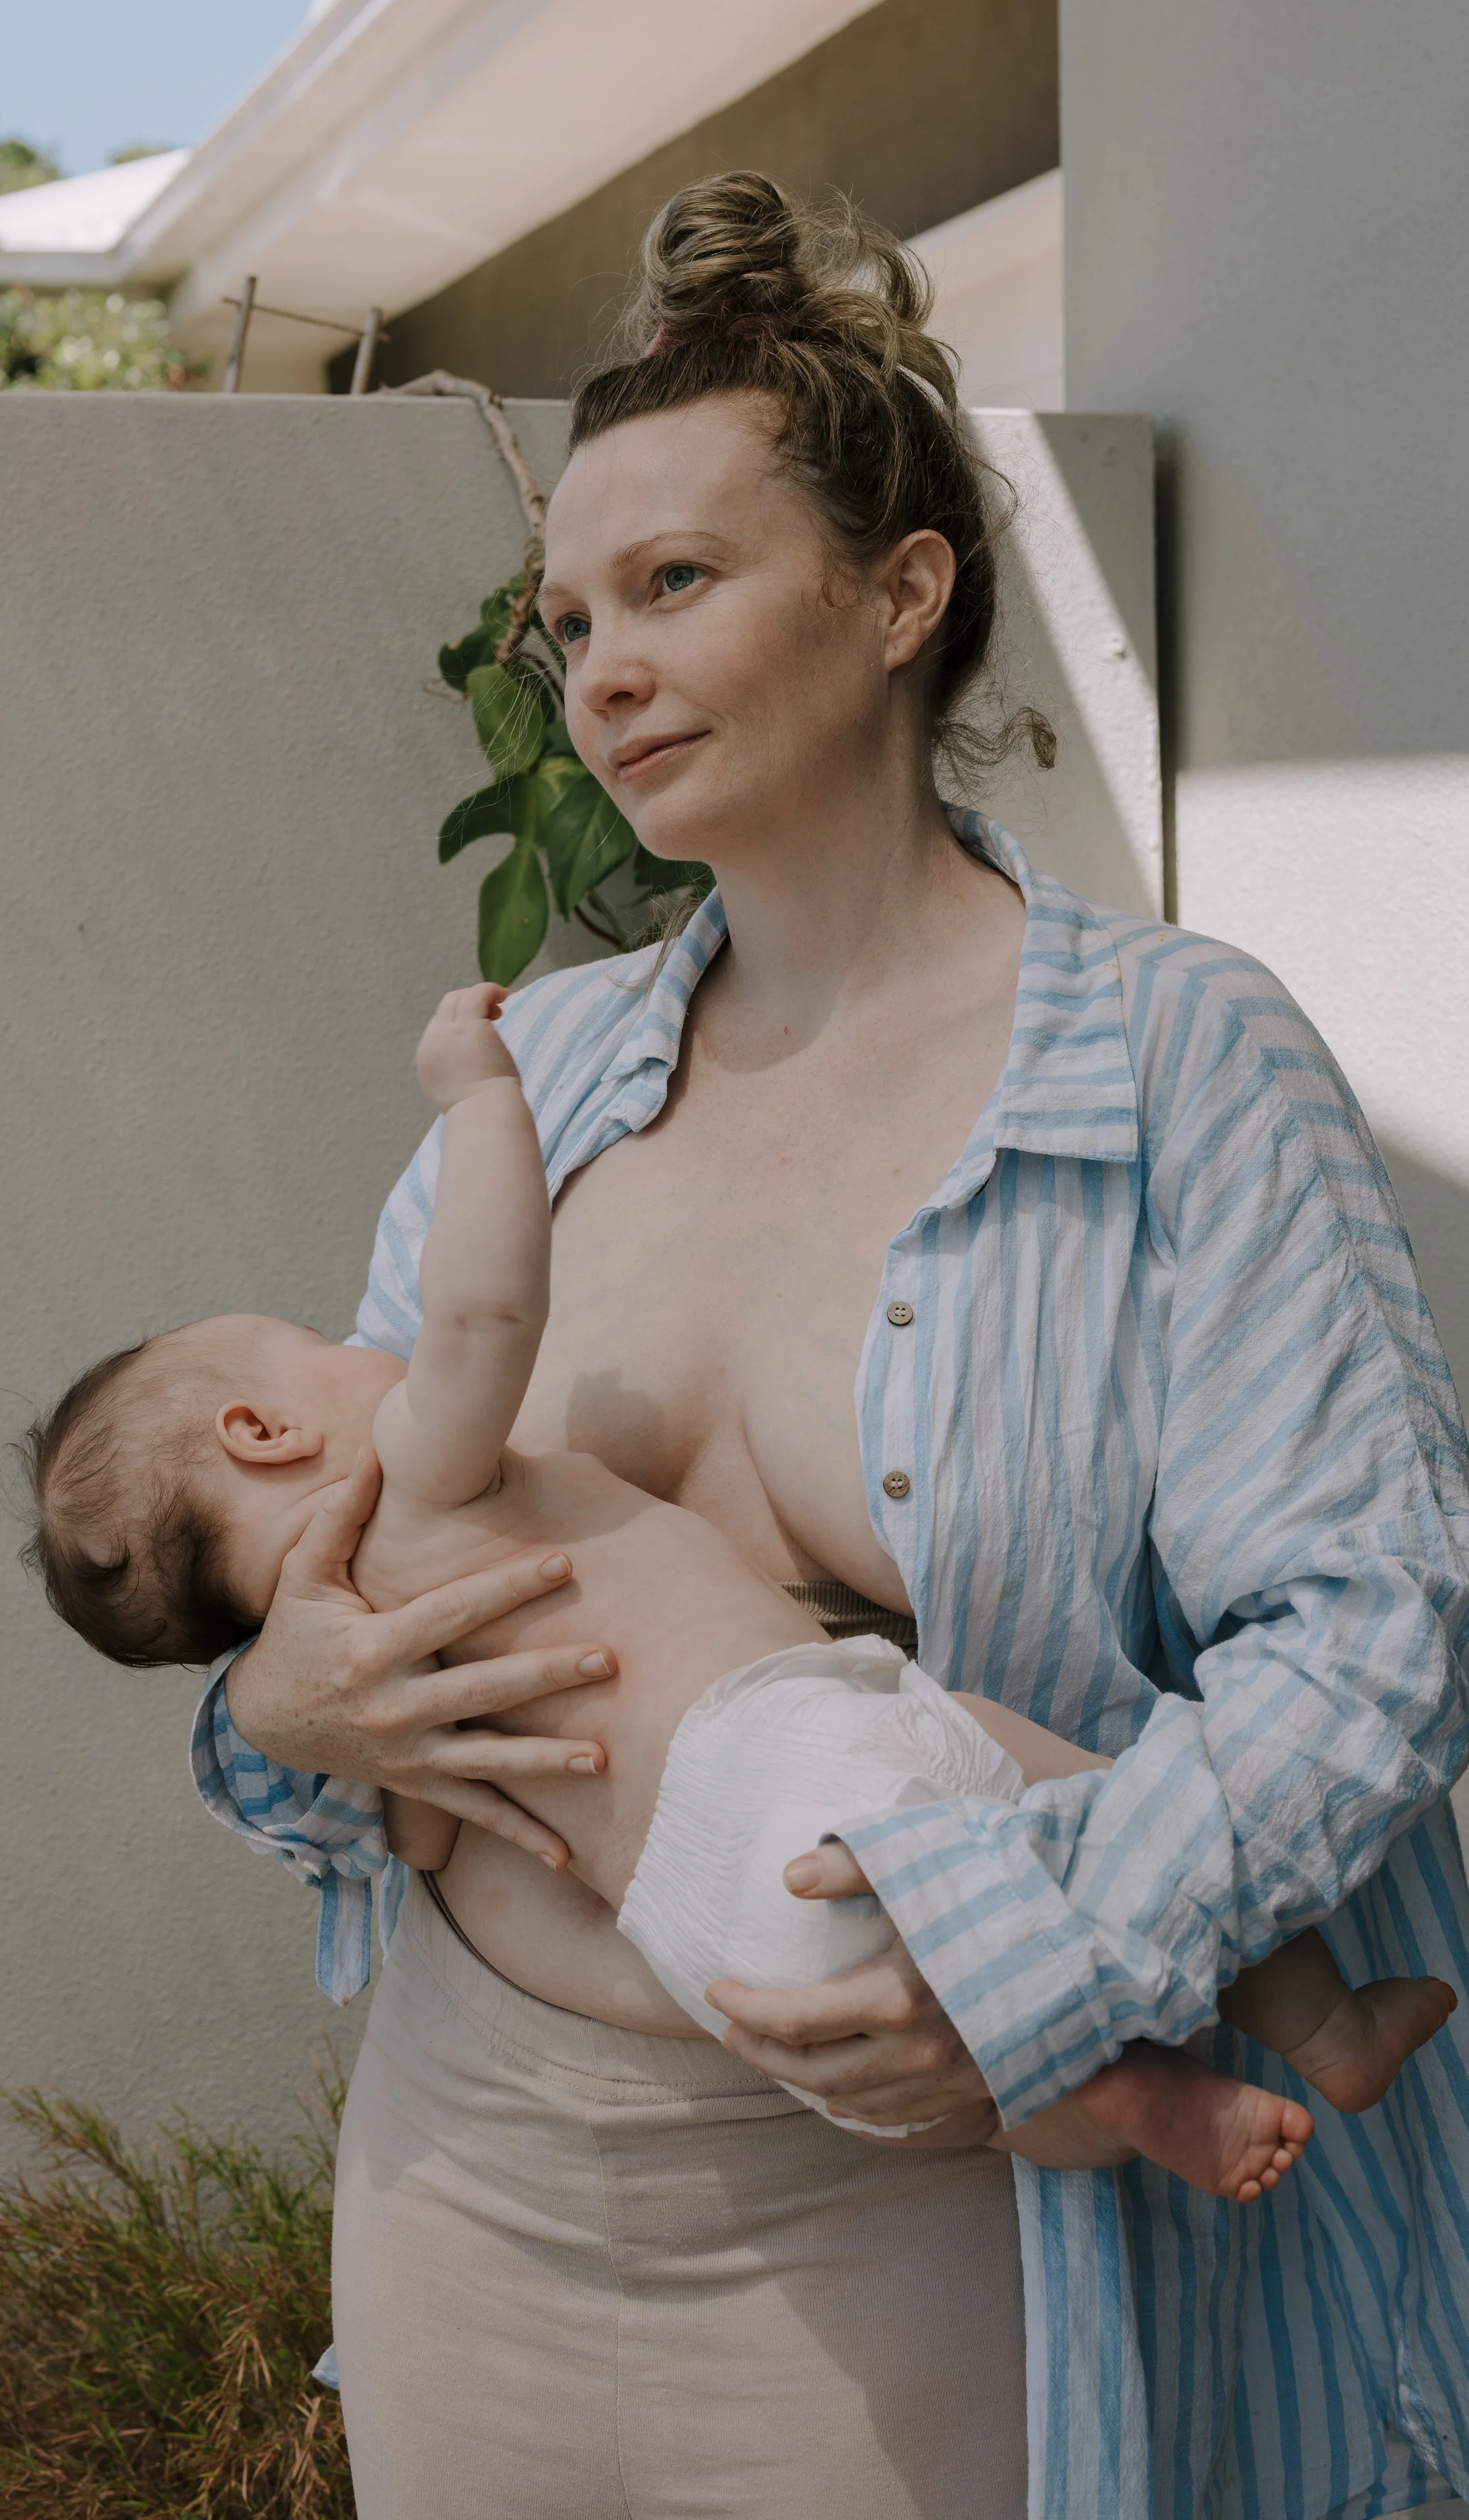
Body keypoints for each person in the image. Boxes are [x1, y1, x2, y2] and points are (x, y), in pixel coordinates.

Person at [182, 174, 1469, 2520]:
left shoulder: (1181, 1059)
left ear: (904, 593)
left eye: (676, 582)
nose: (600, 667)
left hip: (933, 2206)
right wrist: (277, 1709)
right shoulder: (542, 1071)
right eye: (569, 613)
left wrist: (1051, 1952)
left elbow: (1368, 1634)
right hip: (468, 2173)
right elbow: (328, 1533)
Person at [25, 976, 1454, 2196]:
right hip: (804, 1762)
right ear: (263, 1433)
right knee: (1089, 1796)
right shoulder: (405, 1473)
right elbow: (480, 1309)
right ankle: (1324, 2027)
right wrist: (476, 1104)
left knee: (1014, 2051)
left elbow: (419, 1838)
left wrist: (284, 1698)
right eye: (303, 1343)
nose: (360, 1342)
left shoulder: (360, 1675)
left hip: (715, 1947)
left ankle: (1140, 2103)